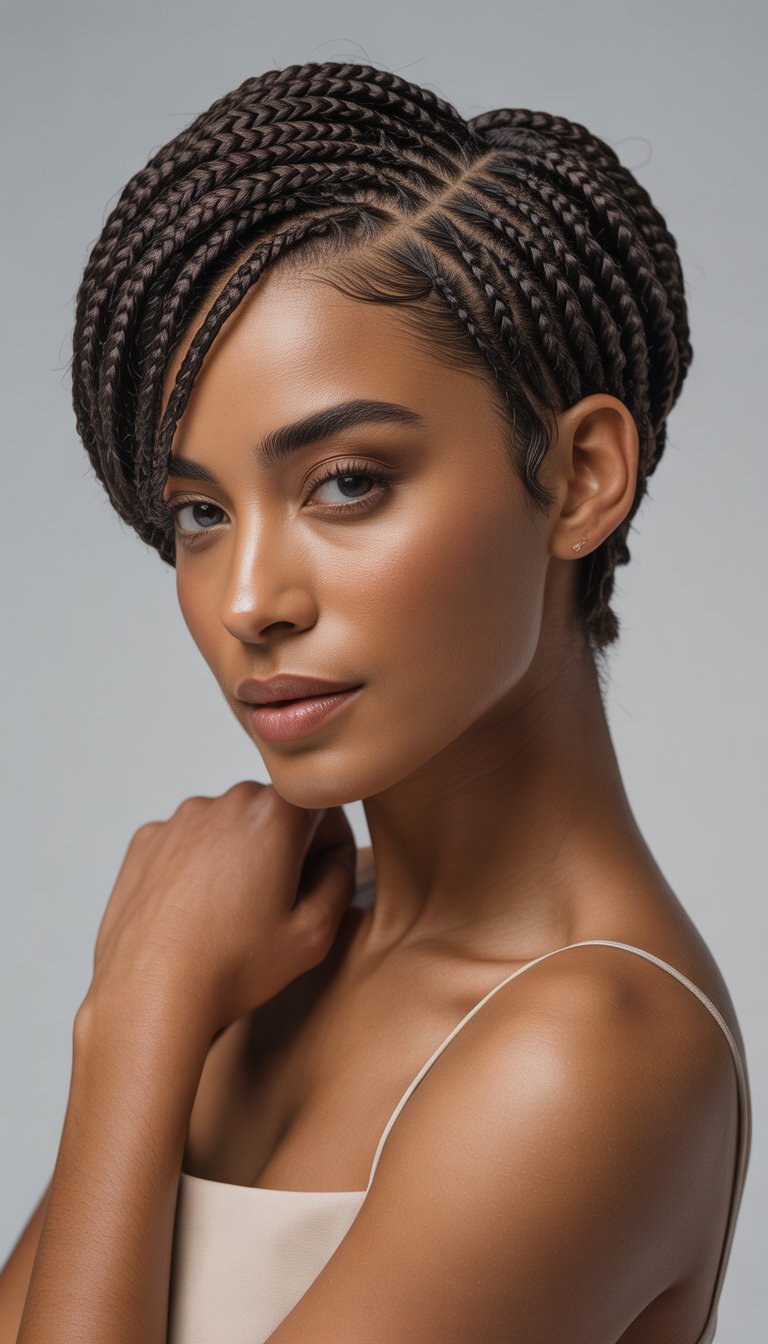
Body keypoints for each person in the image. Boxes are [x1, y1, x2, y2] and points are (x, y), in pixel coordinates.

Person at [1, 59, 751, 1344]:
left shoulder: (590, 1053)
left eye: (347, 482)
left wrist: (132, 1025)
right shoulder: (272, 943)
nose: (248, 598)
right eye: (198, 513)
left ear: (579, 477)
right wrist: (166, 1005)